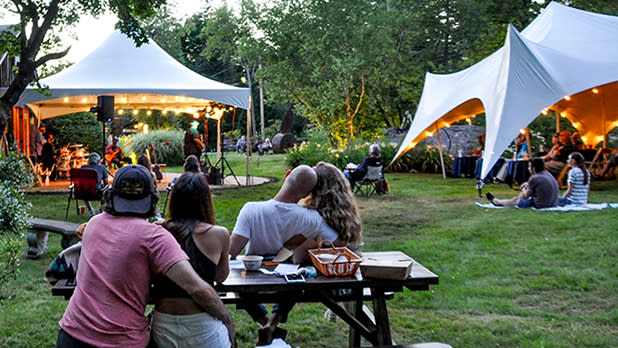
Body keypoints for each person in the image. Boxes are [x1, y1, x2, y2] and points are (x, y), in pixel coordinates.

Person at [56, 165, 235, 348]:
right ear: (153, 199)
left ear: (110, 196)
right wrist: (227, 319)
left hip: (72, 335)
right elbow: (198, 289)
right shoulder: (154, 236)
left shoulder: (94, 223)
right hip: (122, 342)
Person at [229, 165, 340, 345]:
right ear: (306, 194)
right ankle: (273, 324)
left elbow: (231, 252)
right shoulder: (312, 218)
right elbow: (337, 243)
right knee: (296, 278)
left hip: (252, 282)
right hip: (287, 283)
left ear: (287, 175)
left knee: (239, 283)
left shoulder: (251, 209)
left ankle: (265, 323)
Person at [150, 172, 231, 348]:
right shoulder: (219, 234)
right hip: (201, 324)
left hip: (163, 323)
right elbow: (220, 277)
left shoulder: (158, 230)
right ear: (205, 201)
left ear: (174, 200)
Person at [486, 157, 559, 208]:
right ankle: (500, 201)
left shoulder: (534, 178)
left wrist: (523, 188)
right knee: (522, 195)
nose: (528, 169)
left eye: (529, 167)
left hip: (541, 205)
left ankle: (497, 202)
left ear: (534, 168)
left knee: (518, 200)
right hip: (554, 203)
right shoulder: (547, 174)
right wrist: (527, 184)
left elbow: (526, 195)